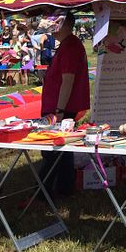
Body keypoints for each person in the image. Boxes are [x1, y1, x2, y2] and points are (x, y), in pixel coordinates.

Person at [39, 12, 90, 198]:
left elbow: (68, 80)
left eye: (54, 25)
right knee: (63, 150)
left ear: (64, 25)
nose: (51, 29)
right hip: (62, 107)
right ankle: (64, 189)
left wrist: (59, 111)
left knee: (52, 151)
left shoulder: (70, 46)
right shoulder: (69, 45)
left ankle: (44, 193)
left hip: (60, 108)